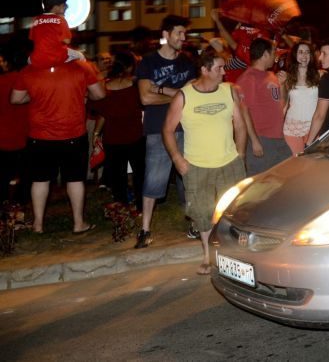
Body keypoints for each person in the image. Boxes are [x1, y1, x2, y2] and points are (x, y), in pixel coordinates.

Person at [162, 49, 247, 276]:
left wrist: (241, 153)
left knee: (234, 210)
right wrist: (177, 159)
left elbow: (239, 125)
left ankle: (233, 256)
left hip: (229, 162)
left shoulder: (229, 92)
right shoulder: (184, 96)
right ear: (205, 69)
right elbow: (168, 130)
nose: (224, 72)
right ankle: (208, 258)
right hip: (197, 165)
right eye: (219, 68)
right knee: (203, 212)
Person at [10, 58, 105, 233]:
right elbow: (99, 94)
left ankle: (38, 224)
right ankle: (78, 223)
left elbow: (16, 99)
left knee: (40, 180)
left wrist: (36, 94)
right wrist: (82, 93)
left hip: (39, 136)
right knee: (75, 179)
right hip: (73, 133)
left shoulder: (29, 70)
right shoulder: (80, 67)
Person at [134, 15, 197, 249]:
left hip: (186, 129)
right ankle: (145, 229)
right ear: (166, 35)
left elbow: (191, 96)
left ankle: (194, 222)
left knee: (189, 179)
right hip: (158, 130)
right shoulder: (148, 63)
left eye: (184, 33)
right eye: (179, 33)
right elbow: (145, 97)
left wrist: (161, 88)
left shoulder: (187, 62)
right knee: (153, 179)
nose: (183, 38)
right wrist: (176, 94)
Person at [91, 52, 145, 208]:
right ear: (129, 67)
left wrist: (96, 134)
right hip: (135, 136)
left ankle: (122, 207)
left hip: (113, 138)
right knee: (139, 173)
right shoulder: (136, 86)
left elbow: (102, 114)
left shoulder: (105, 88)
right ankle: (141, 206)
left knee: (117, 176)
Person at [236, 38, 287, 174]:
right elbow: (244, 110)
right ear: (265, 54)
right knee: (260, 184)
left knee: (283, 180)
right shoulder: (248, 78)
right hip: (262, 139)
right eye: (273, 52)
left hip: (279, 137)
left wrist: (282, 85)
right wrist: (254, 140)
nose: (275, 56)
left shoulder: (271, 75)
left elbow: (281, 102)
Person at [0, 48, 30, 204]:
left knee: (3, 177)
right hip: (25, 136)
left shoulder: (2, 81)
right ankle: (19, 209)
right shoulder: (27, 79)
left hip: (3, 138)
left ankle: (4, 209)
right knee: (24, 176)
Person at [280, 40, 321, 154]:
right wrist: (282, 84)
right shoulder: (287, 77)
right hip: (292, 127)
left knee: (313, 163)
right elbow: (283, 102)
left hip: (313, 126)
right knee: (296, 163)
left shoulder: (320, 75)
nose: (304, 55)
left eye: (307, 52)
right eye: (300, 52)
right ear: (294, 55)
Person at [28, 0, 85, 68]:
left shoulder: (35, 19)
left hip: (37, 59)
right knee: (80, 56)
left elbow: (32, 38)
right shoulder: (60, 19)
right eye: (64, 4)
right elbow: (67, 41)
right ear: (56, 6)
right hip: (56, 57)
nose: (66, 6)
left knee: (29, 59)